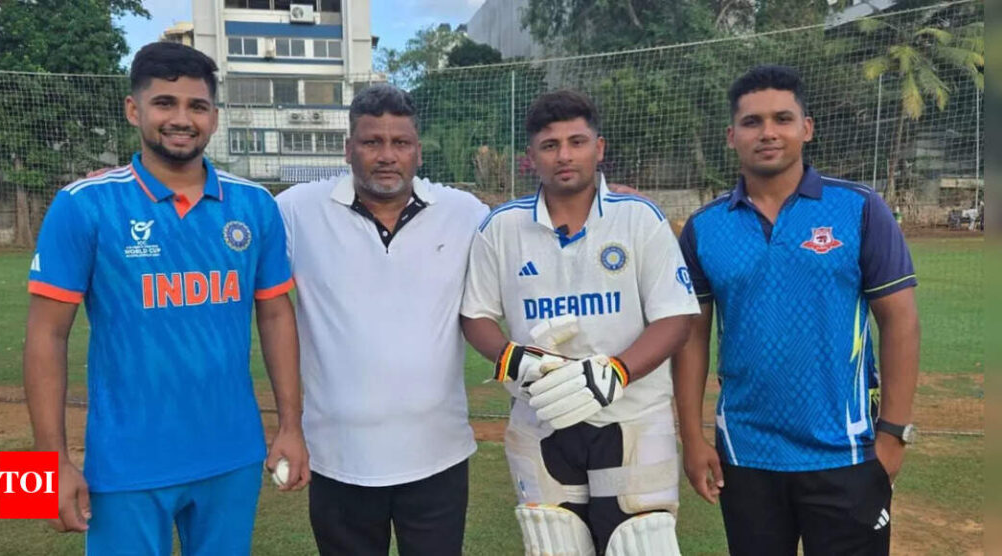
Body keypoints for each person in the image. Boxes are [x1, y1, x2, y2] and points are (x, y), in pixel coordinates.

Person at [23, 42, 309, 555]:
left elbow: (275, 316)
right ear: (133, 110)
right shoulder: (81, 203)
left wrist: (291, 427)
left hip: (233, 455)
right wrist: (45, 470)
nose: (181, 119)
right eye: (164, 103)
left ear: (214, 117)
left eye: (197, 106)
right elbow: (44, 335)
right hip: (123, 463)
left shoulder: (255, 204)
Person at [673, 65, 920, 555]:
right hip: (746, 453)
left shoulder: (859, 208)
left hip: (847, 452)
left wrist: (893, 434)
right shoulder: (704, 228)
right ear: (731, 136)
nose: (768, 132)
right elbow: (692, 336)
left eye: (782, 119)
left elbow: (900, 321)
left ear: (806, 128)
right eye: (752, 122)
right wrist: (692, 438)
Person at [460, 89, 699, 555]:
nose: (564, 156)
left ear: (599, 147)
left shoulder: (639, 219)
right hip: (541, 419)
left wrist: (617, 371)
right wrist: (513, 358)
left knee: (639, 543)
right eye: (550, 145)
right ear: (532, 156)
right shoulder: (502, 228)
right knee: (555, 544)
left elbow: (675, 318)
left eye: (577, 142)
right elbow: (476, 314)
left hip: (633, 416)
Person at [275, 84, 488, 556]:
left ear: (418, 150)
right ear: (348, 148)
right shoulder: (296, 210)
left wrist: (601, 198)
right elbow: (229, 232)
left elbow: (528, 229)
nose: (387, 155)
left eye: (400, 143)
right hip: (337, 458)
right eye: (372, 142)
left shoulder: (465, 214)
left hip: (438, 455)